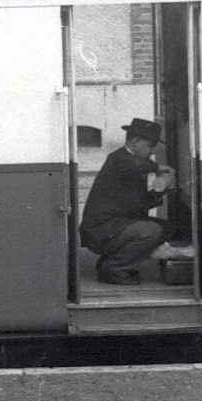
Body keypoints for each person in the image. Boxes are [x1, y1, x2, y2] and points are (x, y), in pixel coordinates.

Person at [80, 117, 179, 285]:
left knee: (165, 228)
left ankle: (109, 261)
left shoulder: (129, 161)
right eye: (149, 146)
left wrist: (161, 191)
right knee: (151, 231)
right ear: (135, 142)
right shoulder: (119, 159)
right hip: (99, 229)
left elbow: (137, 205)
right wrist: (158, 168)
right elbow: (135, 165)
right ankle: (114, 269)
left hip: (110, 225)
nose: (152, 151)